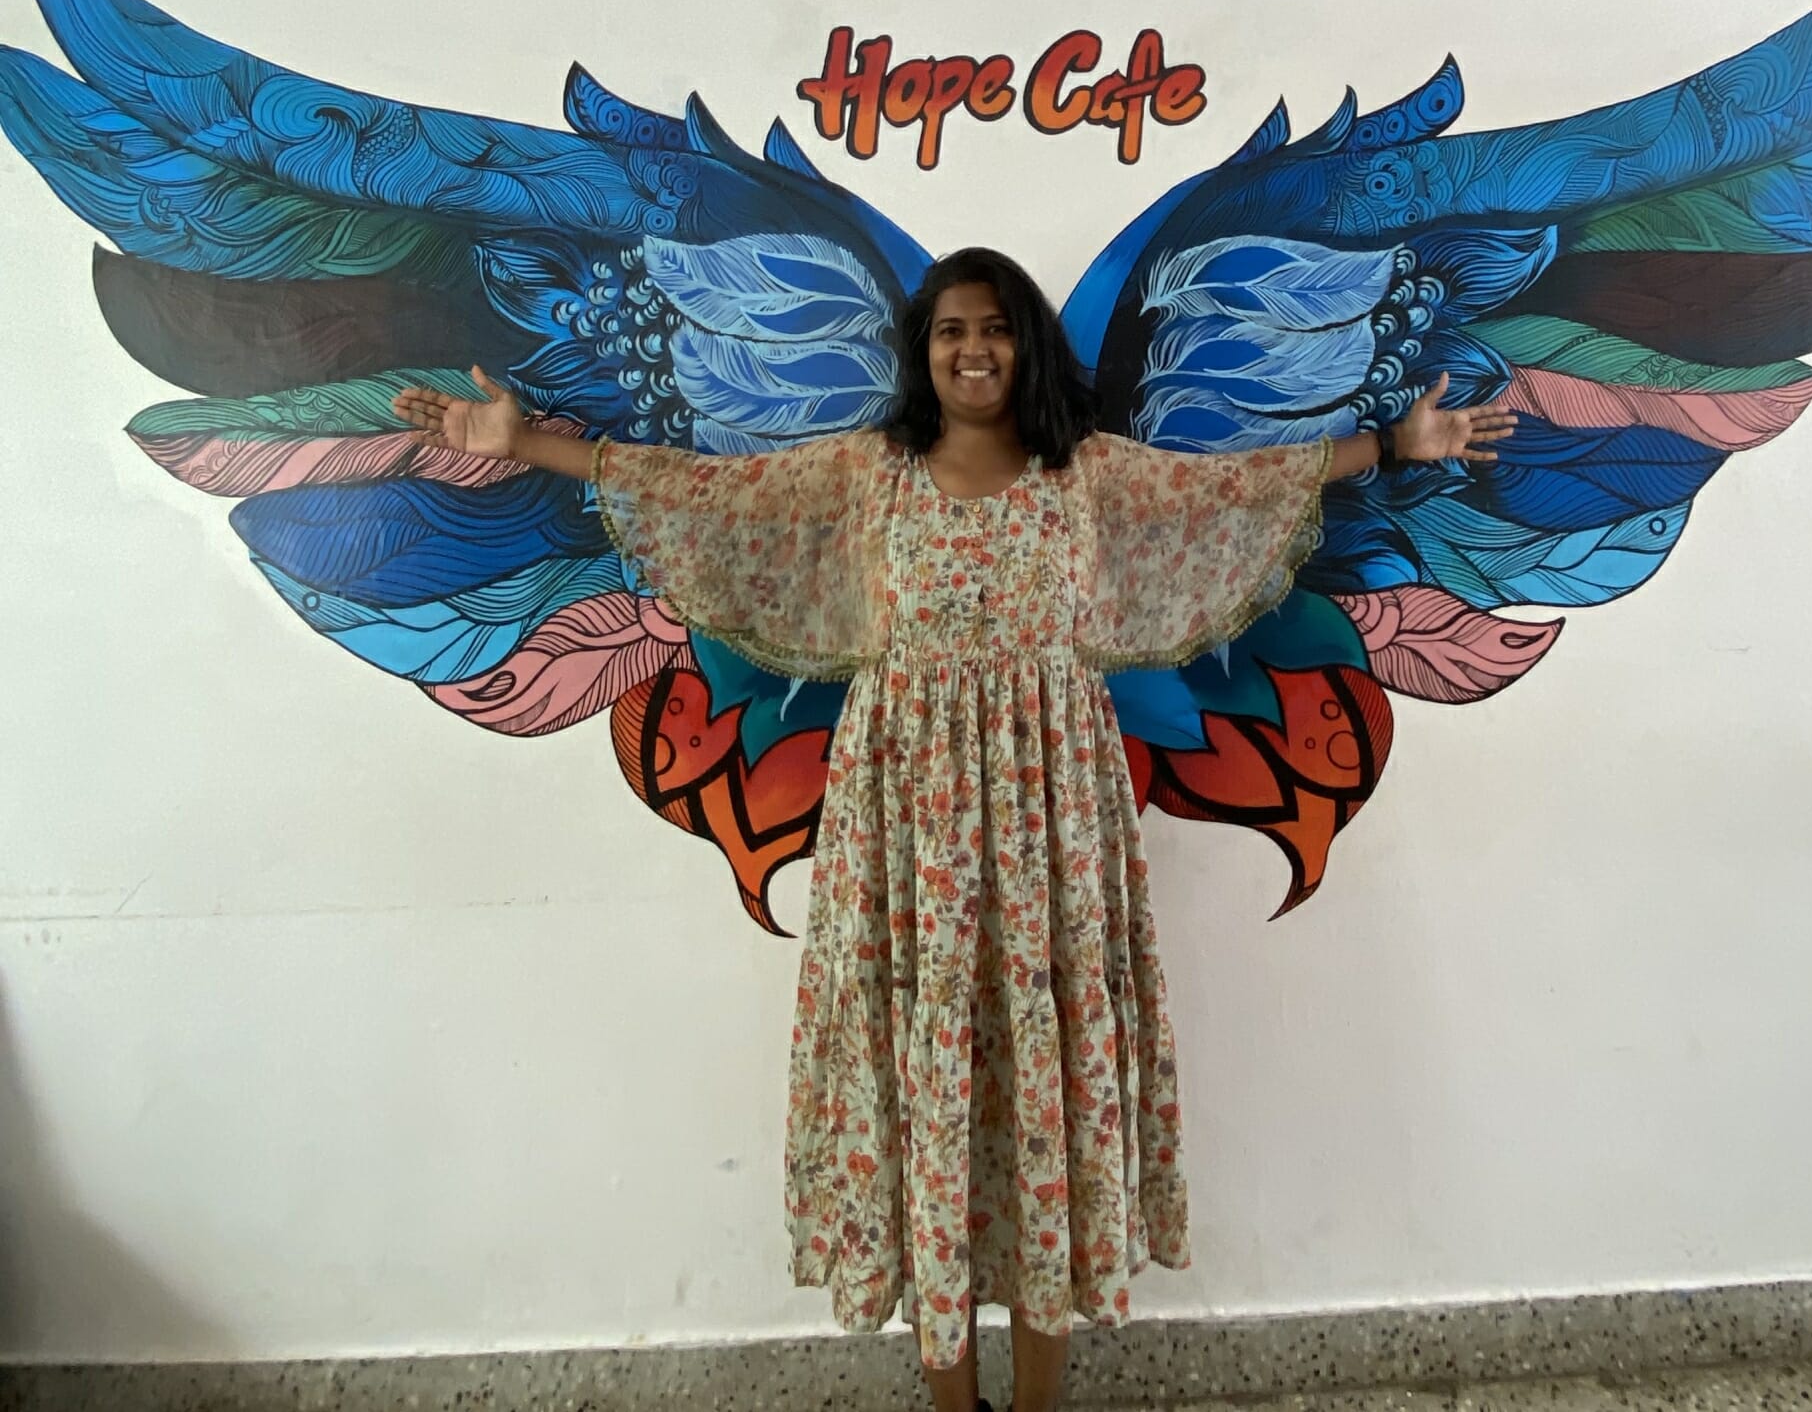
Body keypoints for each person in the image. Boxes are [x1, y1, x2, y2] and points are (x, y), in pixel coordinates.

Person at [393, 247, 1514, 1412]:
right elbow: (700, 490)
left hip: (1051, 831)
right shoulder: (865, 475)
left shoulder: (1086, 476)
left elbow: (1235, 487)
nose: (973, 350)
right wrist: (524, 443)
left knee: (1045, 1080)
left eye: (995, 328)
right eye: (949, 332)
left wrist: (1395, 444)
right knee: (919, 1072)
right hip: (902, 832)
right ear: (921, 354)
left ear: (1026, 345)